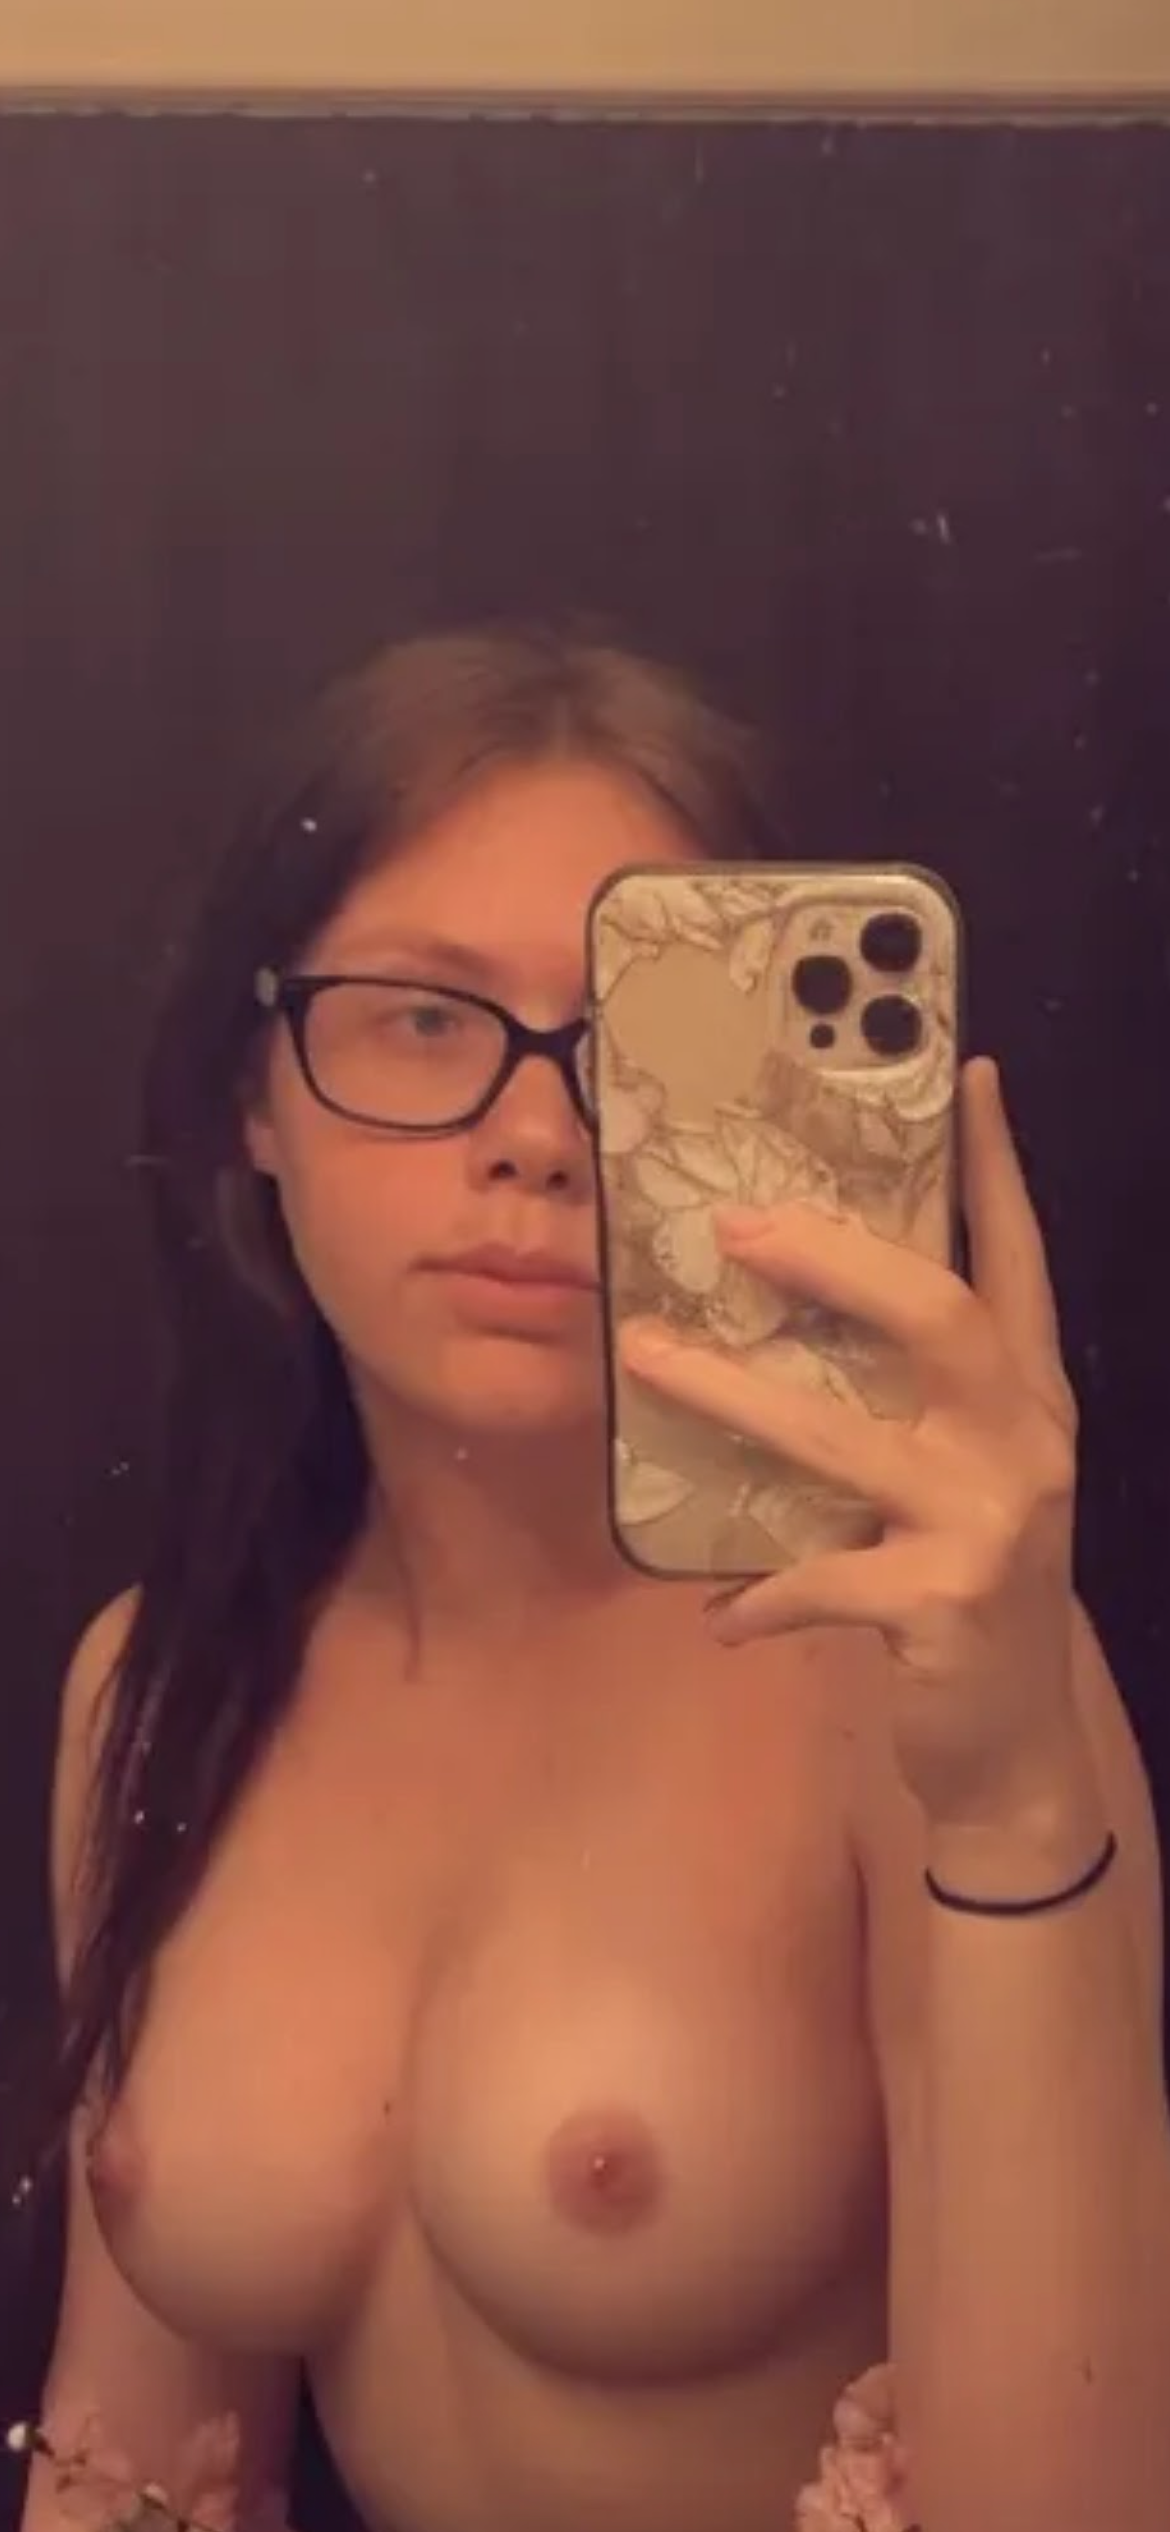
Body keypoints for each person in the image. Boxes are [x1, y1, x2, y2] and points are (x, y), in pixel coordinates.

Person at [12, 624, 1170, 2532]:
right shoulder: (159, 1681)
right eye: (421, 1019)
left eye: (636, 1043)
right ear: (253, 1097)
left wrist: (1012, 1791)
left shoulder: (907, 1666)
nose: (540, 1140)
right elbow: (135, 2470)